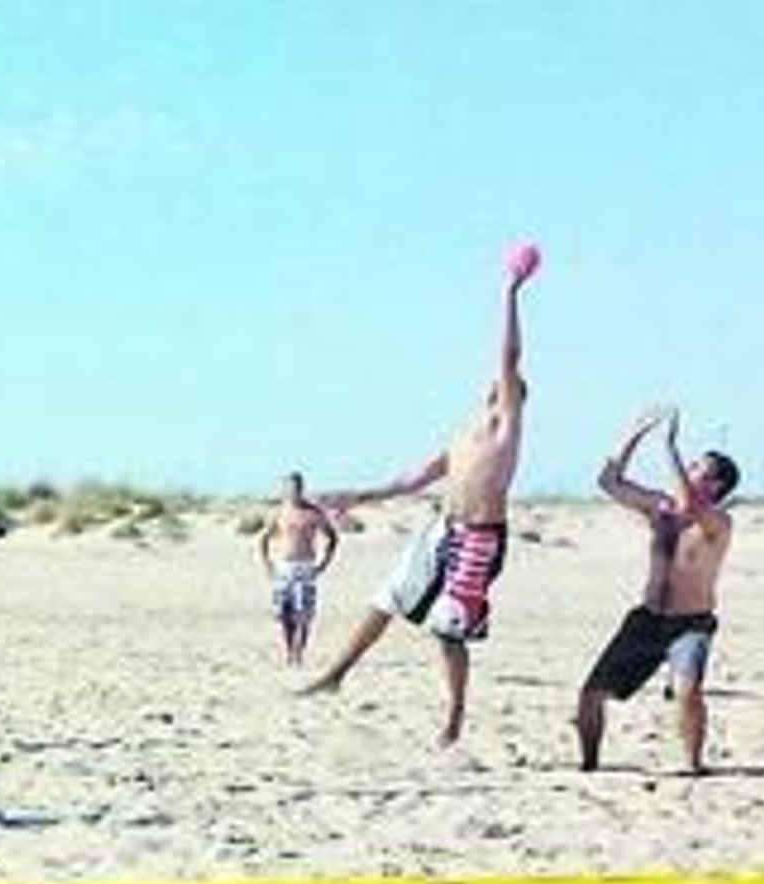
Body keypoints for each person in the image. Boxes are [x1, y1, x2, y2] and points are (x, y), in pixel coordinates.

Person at [300, 253, 539, 745]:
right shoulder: (465, 434)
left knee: (447, 631)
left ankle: (453, 718)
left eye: (507, 383)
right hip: (442, 529)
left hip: (479, 537)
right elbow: (414, 478)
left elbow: (509, 356)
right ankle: (335, 674)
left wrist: (510, 294)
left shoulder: (506, 429)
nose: (499, 382)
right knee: (386, 598)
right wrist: (360, 495)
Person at [576, 406, 738, 776]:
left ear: (715, 486)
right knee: (590, 696)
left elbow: (693, 506)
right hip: (647, 619)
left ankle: (694, 765)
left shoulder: (717, 522)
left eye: (698, 468)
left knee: (687, 692)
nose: (689, 470)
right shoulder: (661, 509)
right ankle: (589, 765)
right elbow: (609, 481)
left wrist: (670, 447)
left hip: (691, 624)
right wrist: (635, 434)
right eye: (690, 464)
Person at [258, 472, 339, 667]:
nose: (292, 492)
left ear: (302, 489)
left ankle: (298, 652)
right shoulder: (279, 512)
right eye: (288, 488)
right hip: (284, 567)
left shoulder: (313, 512)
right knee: (283, 613)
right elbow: (263, 540)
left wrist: (323, 564)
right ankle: (289, 651)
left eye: (296, 488)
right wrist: (268, 566)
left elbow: (332, 538)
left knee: (304, 614)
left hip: (306, 567)